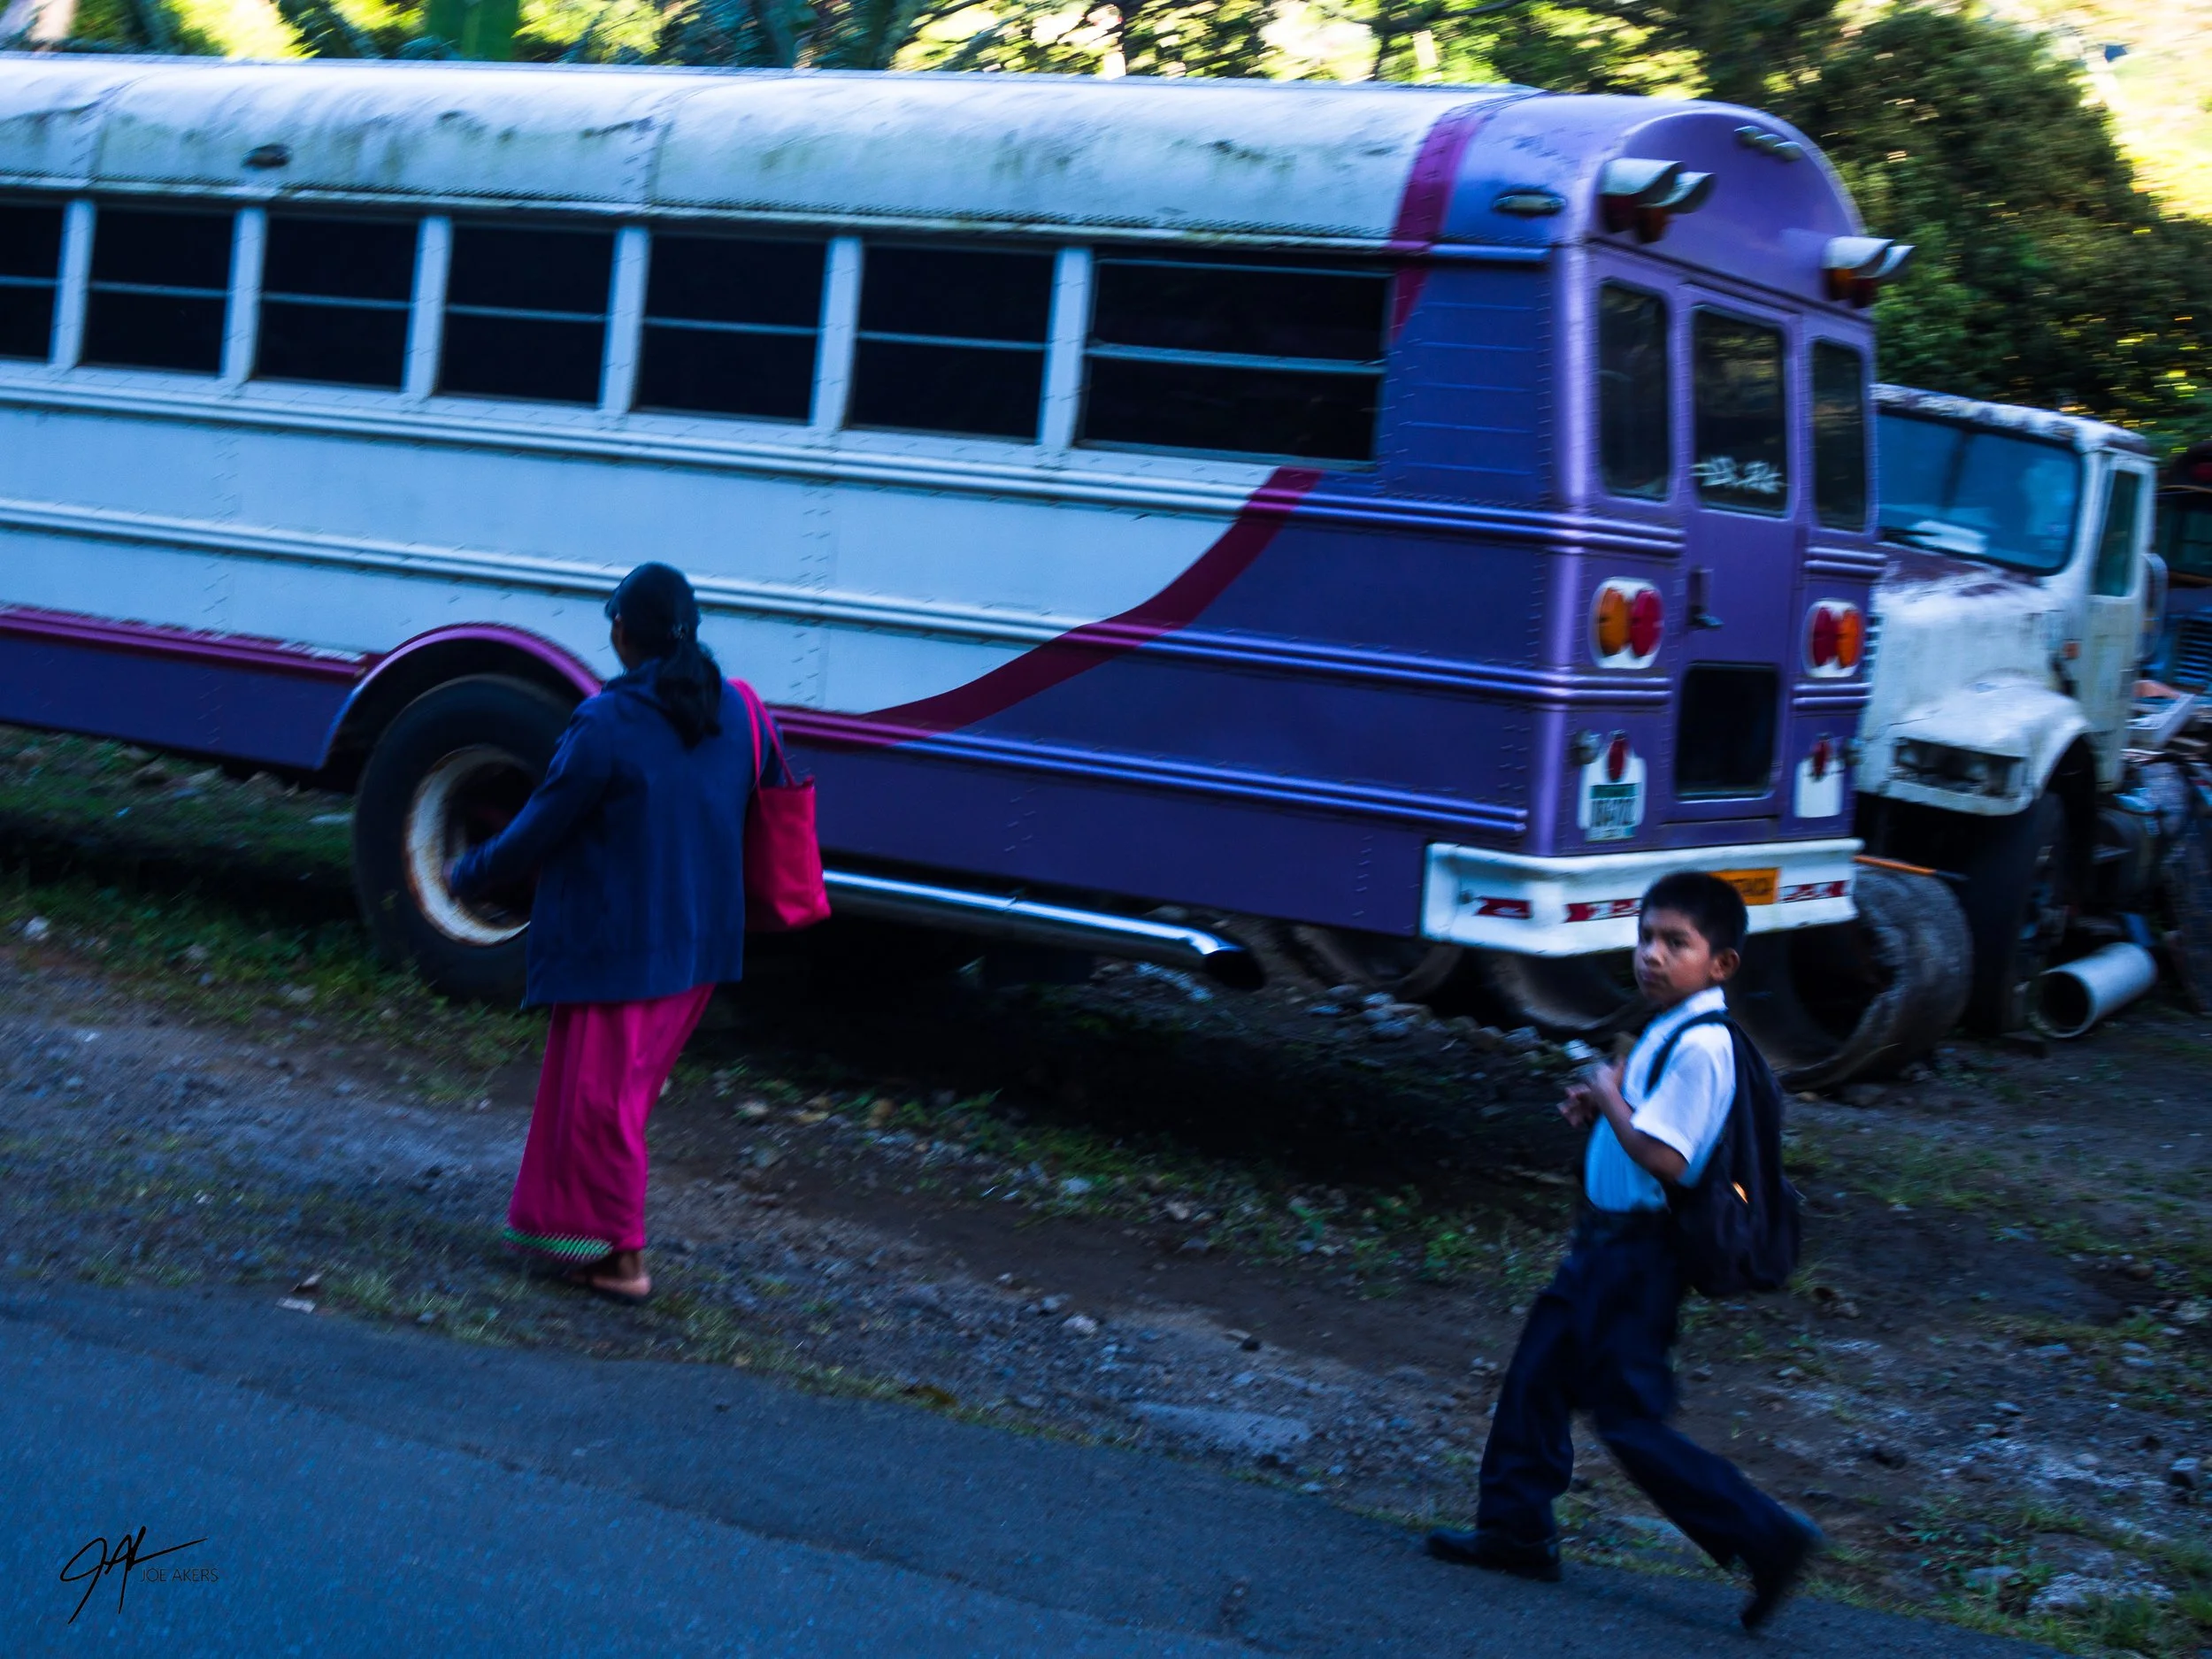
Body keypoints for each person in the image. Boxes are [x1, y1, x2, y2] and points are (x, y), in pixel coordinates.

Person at [1426, 871, 1821, 1632]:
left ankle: (1768, 1536)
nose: (1652, 955)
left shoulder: (1705, 1045)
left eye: (1676, 943)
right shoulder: (1668, 1028)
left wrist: (1611, 1101)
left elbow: (1671, 1159)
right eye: (1646, 938)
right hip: (1603, 1245)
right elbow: (1642, 1123)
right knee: (1537, 1374)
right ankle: (1515, 1528)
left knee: (1629, 1416)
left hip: (1640, 1259)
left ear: (1721, 965)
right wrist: (1601, 1107)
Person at [449, 562, 785, 1306]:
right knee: (614, 1097)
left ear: (624, 633)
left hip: (623, 947)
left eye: (615, 622)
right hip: (699, 948)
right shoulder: (743, 713)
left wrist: (468, 873)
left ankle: (625, 1259)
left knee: (603, 1104)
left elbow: (539, 827)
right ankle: (582, 1240)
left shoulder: (606, 723)